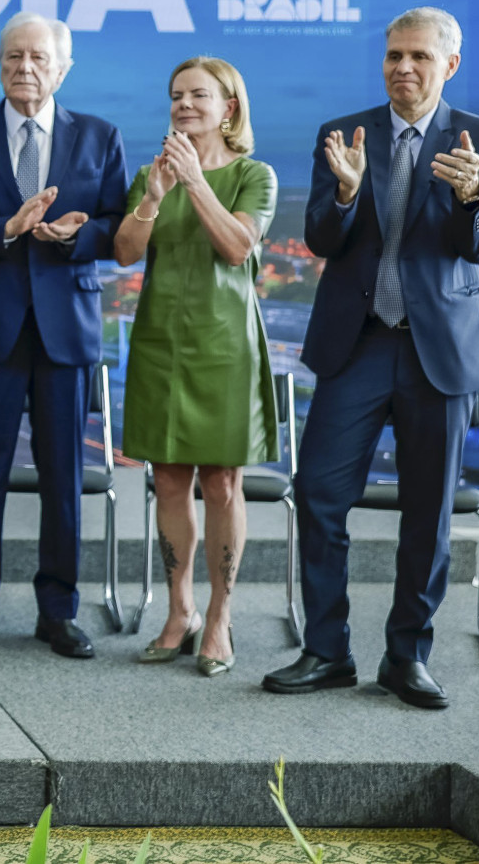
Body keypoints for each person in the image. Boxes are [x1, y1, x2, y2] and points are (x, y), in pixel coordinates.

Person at [264, 7, 479, 709]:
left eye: (419, 58)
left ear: (449, 66)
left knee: (428, 511)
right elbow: (319, 238)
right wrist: (345, 191)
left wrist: (468, 195)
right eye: (393, 55)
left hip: (441, 351)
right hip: (360, 342)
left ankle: (407, 655)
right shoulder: (342, 135)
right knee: (317, 491)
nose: (403, 67)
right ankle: (326, 649)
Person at [0, 11, 127, 659]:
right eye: (13, 56)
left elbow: (118, 229)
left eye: (38, 57)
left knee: (65, 478)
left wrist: (75, 236)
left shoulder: (99, 136)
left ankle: (58, 610)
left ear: (63, 67)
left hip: (66, 330)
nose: (24, 68)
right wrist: (6, 228)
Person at [115, 57, 278, 677]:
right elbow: (126, 252)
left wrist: (195, 182)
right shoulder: (148, 173)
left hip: (224, 344)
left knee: (223, 484)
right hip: (160, 341)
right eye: (177, 95)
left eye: (199, 95)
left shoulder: (253, 175)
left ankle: (219, 617)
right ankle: (179, 610)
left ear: (229, 106)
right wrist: (156, 196)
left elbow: (237, 247)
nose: (184, 104)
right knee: (170, 481)